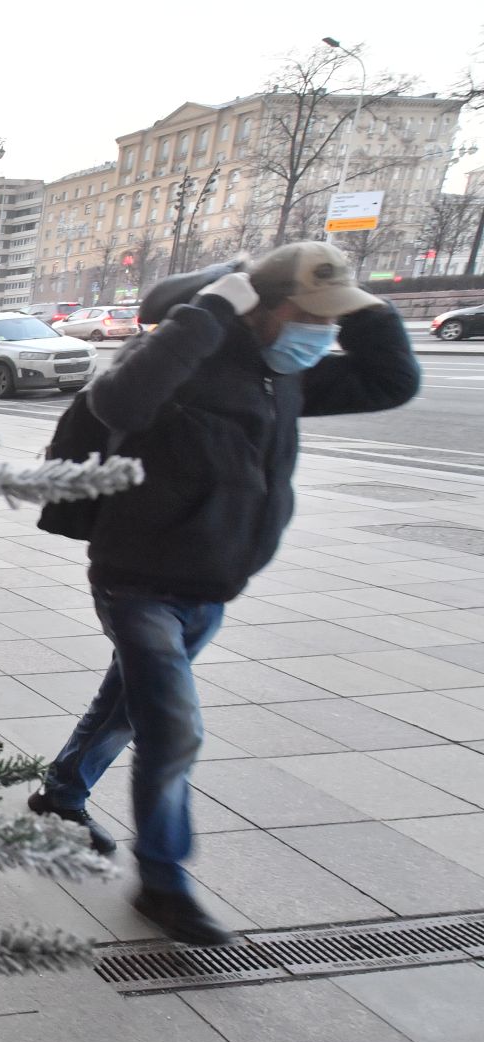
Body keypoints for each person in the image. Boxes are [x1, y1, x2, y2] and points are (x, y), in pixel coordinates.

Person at [31, 242, 419, 946]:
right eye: (309, 316)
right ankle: (164, 882)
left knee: (129, 707)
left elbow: (391, 382)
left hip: (212, 584)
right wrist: (210, 308)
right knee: (173, 731)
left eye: (331, 321)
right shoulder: (190, 361)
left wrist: (362, 307)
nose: (321, 333)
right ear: (261, 308)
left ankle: (62, 792)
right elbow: (116, 397)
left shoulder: (281, 374)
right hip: (137, 578)